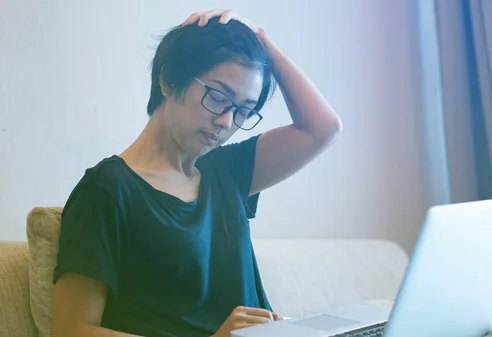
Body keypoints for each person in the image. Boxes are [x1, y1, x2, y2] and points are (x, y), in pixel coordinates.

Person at [50, 9, 342, 337]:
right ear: (168, 80)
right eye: (218, 98)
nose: (227, 122)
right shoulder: (106, 191)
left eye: (244, 111)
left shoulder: (227, 171)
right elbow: (70, 330)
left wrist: (261, 41)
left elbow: (323, 128)